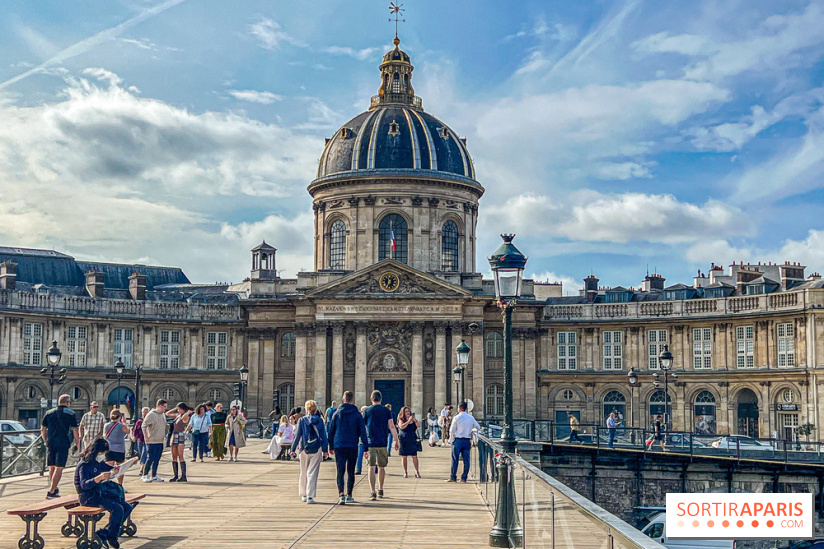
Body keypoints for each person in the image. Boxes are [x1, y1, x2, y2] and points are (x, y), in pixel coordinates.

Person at [74, 438, 134, 549]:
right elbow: (84, 485)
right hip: (88, 497)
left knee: (127, 507)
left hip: (99, 493)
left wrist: (122, 467)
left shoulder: (96, 463)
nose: (103, 456)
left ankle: (105, 533)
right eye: (102, 453)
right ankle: (111, 536)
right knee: (117, 508)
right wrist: (99, 478)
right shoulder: (84, 464)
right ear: (96, 452)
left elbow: (107, 467)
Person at [327, 391, 368, 505]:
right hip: (352, 445)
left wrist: (331, 446)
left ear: (343, 399)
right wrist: (366, 447)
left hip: (339, 445)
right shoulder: (357, 414)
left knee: (340, 470)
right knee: (351, 471)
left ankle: (341, 494)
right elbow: (362, 431)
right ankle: (349, 495)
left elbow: (331, 430)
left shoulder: (336, 413)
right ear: (352, 400)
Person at [41, 393, 80, 498]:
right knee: (59, 467)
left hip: (51, 442)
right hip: (63, 442)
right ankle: (51, 491)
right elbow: (75, 430)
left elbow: (43, 429)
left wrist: (45, 441)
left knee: (52, 467)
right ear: (67, 403)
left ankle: (54, 489)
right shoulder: (71, 413)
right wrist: (77, 443)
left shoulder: (49, 413)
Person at [290, 400, 329, 504]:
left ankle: (303, 494)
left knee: (303, 472)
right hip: (316, 448)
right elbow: (324, 436)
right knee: (312, 473)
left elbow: (297, 436)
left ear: (306, 409)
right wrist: (325, 450)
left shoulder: (302, 420)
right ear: (315, 410)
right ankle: (310, 496)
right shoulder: (320, 421)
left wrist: (293, 449)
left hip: (304, 448)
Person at [363, 390, 399, 501]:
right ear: (381, 399)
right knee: (381, 467)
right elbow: (392, 426)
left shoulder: (367, 410)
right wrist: (397, 440)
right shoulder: (386, 410)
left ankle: (372, 491)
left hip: (370, 442)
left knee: (371, 467)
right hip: (383, 442)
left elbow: (362, 427)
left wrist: (362, 441)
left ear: (371, 399)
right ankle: (381, 489)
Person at [446, 402, 480, 483]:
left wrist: (451, 440)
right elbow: (478, 427)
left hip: (458, 440)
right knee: (466, 460)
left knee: (455, 459)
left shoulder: (457, 417)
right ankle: (464, 477)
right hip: (467, 440)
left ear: (459, 408)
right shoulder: (471, 418)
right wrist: (472, 430)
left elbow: (452, 430)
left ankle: (453, 477)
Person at [140, 399, 168, 482]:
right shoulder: (151, 414)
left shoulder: (163, 415)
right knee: (150, 458)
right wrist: (146, 437)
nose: (166, 408)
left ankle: (154, 475)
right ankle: (144, 475)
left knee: (157, 459)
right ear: (159, 406)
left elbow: (164, 425)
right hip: (152, 440)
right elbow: (143, 426)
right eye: (164, 406)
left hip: (160, 440)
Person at [165, 403, 192, 482]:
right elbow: (167, 413)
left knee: (180, 455)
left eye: (180, 409)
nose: (178, 410)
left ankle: (183, 476)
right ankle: (175, 475)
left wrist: (187, 412)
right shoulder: (177, 415)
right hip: (174, 435)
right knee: (174, 456)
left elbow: (184, 418)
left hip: (180, 435)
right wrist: (175, 408)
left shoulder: (185, 416)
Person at [103, 409, 130, 486]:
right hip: (119, 449)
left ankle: (106, 484)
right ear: (120, 417)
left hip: (109, 449)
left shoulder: (106, 425)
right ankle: (120, 485)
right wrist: (124, 422)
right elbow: (128, 431)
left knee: (108, 467)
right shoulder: (121, 426)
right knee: (120, 468)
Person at [397, 406, 421, 478]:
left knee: (414, 456)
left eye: (408, 411)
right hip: (404, 439)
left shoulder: (413, 419)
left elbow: (418, 426)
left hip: (412, 439)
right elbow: (401, 427)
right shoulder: (401, 419)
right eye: (406, 411)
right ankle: (405, 472)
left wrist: (415, 420)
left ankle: (417, 471)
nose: (408, 413)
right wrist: (408, 422)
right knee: (404, 456)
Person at [355, 405, 368, 474]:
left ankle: (358, 469)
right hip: (366, 440)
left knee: (360, 456)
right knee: (370, 455)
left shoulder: (359, 419)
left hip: (363, 440)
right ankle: (374, 468)